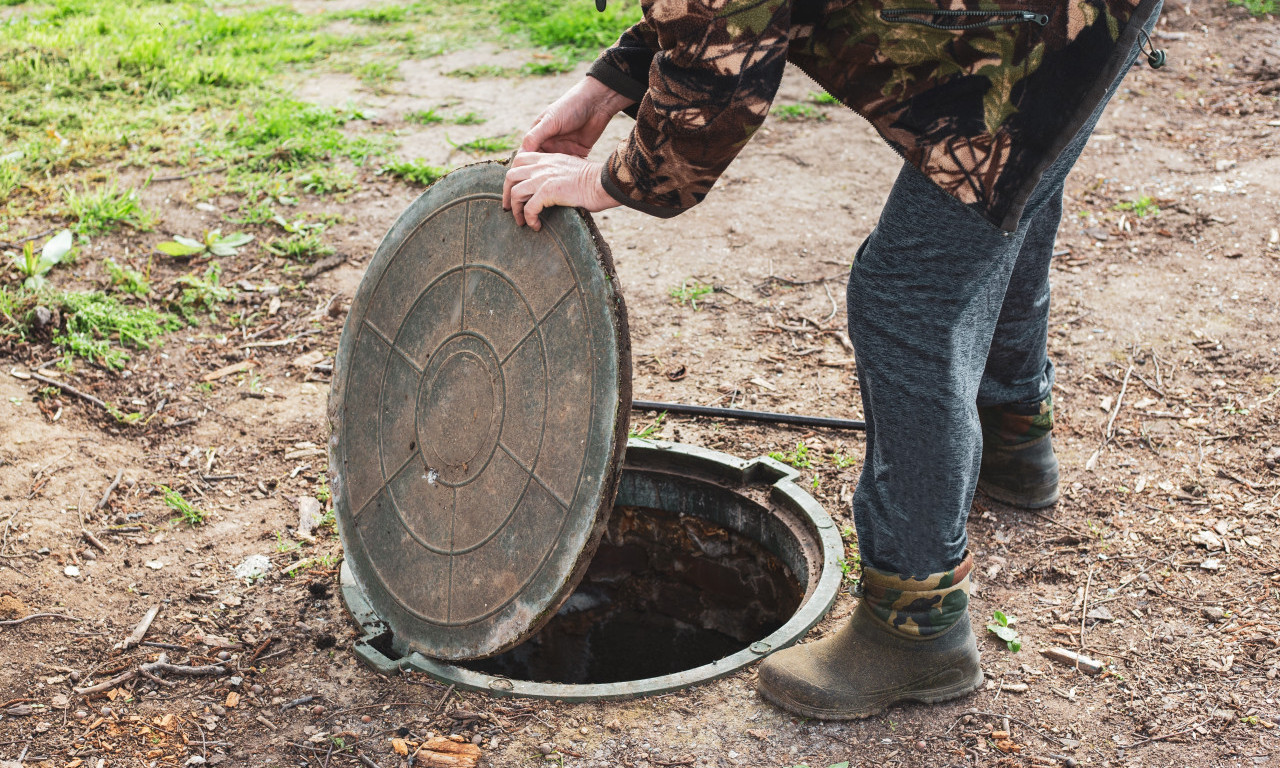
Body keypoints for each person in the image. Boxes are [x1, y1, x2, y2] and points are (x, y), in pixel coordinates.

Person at [503, 0, 1163, 720]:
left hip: (1049, 31)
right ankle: (1012, 436)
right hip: (1076, 19)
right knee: (1006, 194)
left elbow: (718, 63)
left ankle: (915, 626)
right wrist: (607, 84)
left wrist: (608, 181)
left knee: (907, 293)